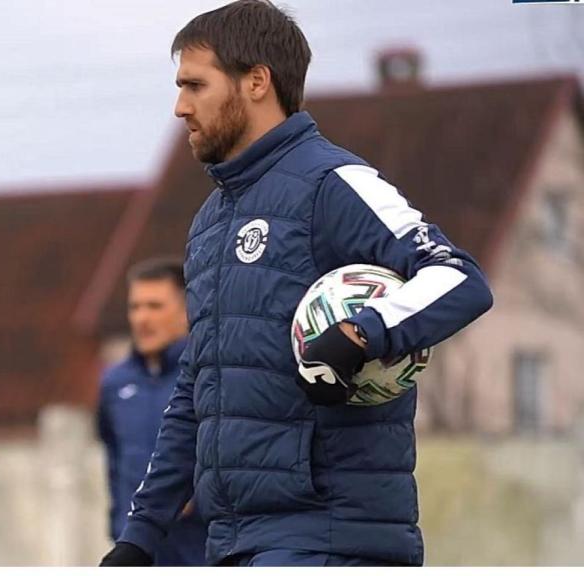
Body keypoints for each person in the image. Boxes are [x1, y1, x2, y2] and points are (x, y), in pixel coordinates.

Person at [100, 0, 493, 567]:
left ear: (256, 81)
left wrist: (362, 334)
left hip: (330, 538)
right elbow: (196, 393)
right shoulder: (210, 222)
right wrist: (140, 537)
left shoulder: (334, 183)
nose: (180, 106)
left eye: (195, 85)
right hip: (233, 542)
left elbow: (459, 277)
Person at [97, 257, 207, 566]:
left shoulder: (209, 377)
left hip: (201, 549)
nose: (142, 318)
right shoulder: (114, 383)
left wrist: (197, 497)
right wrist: (118, 525)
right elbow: (114, 461)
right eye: (135, 307)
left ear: (187, 309)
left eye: (155, 306)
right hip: (140, 552)